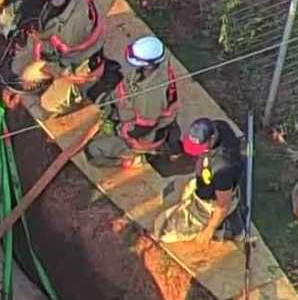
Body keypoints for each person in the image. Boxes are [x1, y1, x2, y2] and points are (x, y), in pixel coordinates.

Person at [2, 0, 107, 116]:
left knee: (48, 103)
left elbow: (61, 65)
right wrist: (22, 84)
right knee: (18, 66)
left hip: (78, 64)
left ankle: (80, 93)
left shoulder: (73, 28)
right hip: (58, 50)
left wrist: (35, 73)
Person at [87, 35, 182, 169]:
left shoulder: (150, 95)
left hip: (137, 137)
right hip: (130, 117)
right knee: (95, 92)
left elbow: (141, 128)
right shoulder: (157, 68)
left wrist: (116, 128)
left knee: (92, 151)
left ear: (148, 64)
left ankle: (134, 158)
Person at [153, 118, 246, 246]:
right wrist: (199, 167)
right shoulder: (219, 126)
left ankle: (229, 231)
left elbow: (223, 205)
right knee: (170, 193)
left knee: (169, 234)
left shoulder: (222, 168)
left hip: (213, 202)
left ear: (212, 139)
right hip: (209, 184)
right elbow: (204, 154)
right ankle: (231, 228)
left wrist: (209, 230)